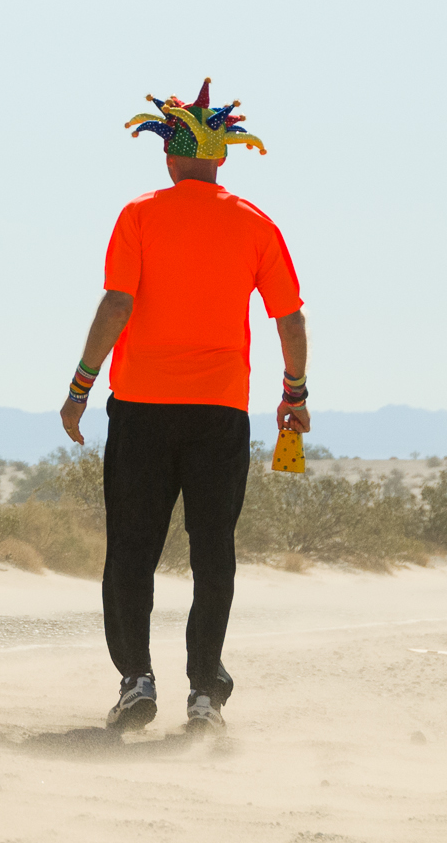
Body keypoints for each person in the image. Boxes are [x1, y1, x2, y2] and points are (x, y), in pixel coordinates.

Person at [60, 78, 309, 735]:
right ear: (220, 156)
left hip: (141, 406)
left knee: (131, 549)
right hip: (219, 411)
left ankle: (136, 678)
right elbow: (288, 320)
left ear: (168, 156)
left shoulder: (139, 214)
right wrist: (294, 395)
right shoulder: (255, 223)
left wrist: (80, 386)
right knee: (212, 552)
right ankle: (204, 690)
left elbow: (117, 305)